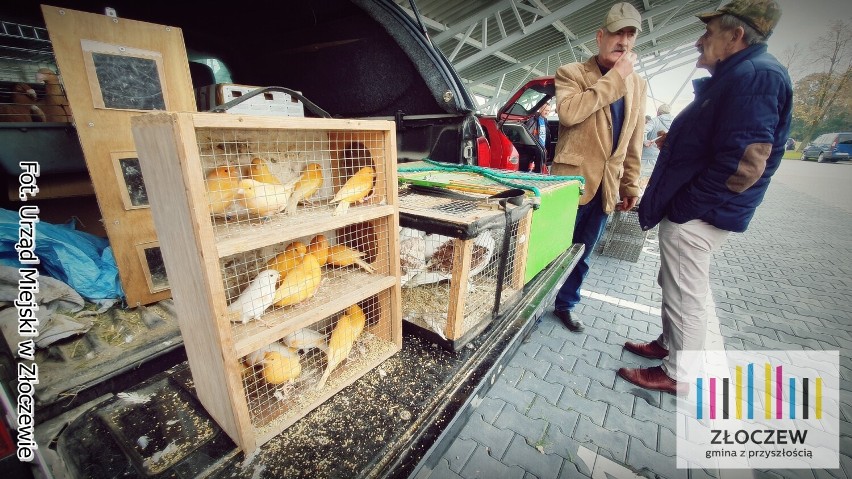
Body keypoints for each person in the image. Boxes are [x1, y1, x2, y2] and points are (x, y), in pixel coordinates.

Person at [618, 0, 791, 395]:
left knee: (686, 292)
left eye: (709, 34)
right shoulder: (745, 74)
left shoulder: (754, 76)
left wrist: (685, 208)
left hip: (701, 213)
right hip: (701, 209)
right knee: (674, 281)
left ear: (737, 35)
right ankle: (668, 344)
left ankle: (680, 372)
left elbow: (745, 163)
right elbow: (724, 139)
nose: (699, 41)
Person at [549, 2, 647, 332]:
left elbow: (634, 139)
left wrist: (630, 184)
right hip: (570, 181)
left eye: (630, 34)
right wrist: (615, 79)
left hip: (606, 185)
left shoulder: (639, 85)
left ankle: (565, 304)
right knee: (551, 249)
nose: (624, 40)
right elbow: (570, 113)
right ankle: (530, 303)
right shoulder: (572, 73)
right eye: (618, 32)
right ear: (601, 36)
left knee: (583, 254)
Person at [640, 104, 674, 186]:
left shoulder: (655, 120)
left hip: (645, 157)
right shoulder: (674, 122)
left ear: (658, 112)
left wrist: (645, 141)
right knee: (648, 183)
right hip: (658, 157)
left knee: (637, 179)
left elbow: (642, 130)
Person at [520, 101, 551, 173]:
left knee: (540, 170)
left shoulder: (545, 120)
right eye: (545, 110)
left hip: (542, 150)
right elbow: (526, 135)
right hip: (534, 150)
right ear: (540, 109)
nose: (547, 112)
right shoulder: (533, 120)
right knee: (533, 171)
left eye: (548, 111)